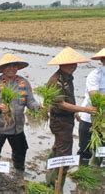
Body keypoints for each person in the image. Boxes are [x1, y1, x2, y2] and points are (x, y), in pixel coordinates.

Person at [45, 47, 96, 189]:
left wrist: (75, 113)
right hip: (60, 120)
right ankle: (57, 184)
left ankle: (50, 174)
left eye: (75, 63)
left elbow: (69, 99)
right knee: (64, 153)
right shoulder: (56, 80)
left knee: (58, 148)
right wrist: (84, 109)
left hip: (66, 119)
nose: (74, 66)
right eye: (71, 63)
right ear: (62, 64)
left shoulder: (67, 78)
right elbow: (60, 104)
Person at [0, 53, 40, 178]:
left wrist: (37, 108)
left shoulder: (23, 82)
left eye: (14, 66)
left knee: (21, 150)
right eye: (8, 66)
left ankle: (19, 171)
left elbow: (30, 100)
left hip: (17, 127)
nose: (11, 68)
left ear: (17, 68)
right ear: (3, 68)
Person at [78, 48, 105, 166]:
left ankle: (95, 172)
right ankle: (82, 174)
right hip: (90, 118)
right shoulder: (95, 75)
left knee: (102, 148)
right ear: (103, 60)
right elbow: (95, 98)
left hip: (103, 120)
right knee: (85, 148)